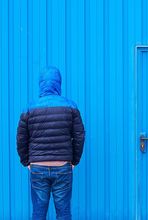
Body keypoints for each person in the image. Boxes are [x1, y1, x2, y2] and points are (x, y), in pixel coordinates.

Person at [16, 66, 85, 220]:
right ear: (58, 83)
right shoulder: (70, 106)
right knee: (63, 212)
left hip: (37, 167)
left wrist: (26, 161)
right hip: (62, 167)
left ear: (41, 84)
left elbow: (21, 138)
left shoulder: (29, 108)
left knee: (39, 212)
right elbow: (79, 136)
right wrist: (74, 160)